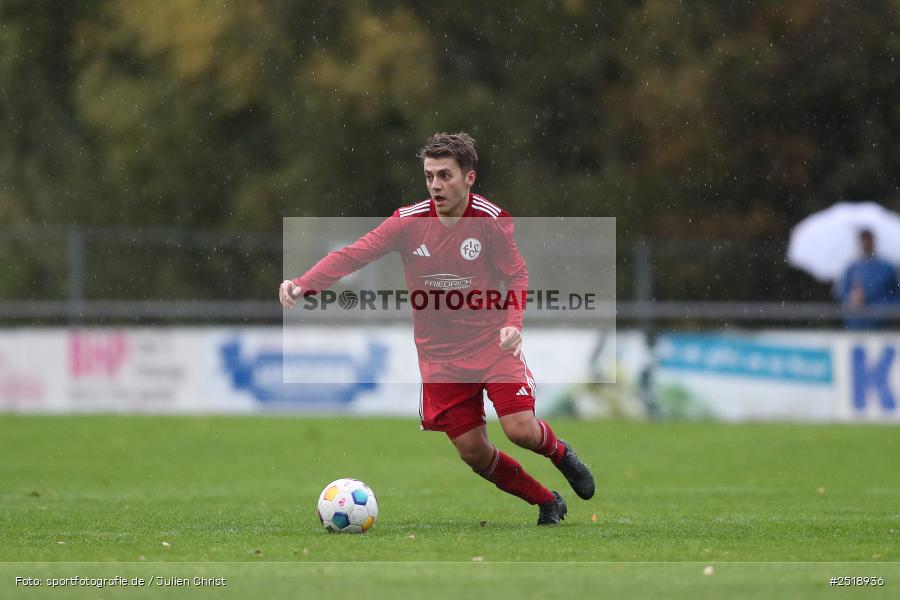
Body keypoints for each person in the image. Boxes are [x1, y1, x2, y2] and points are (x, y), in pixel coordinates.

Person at [279, 132, 594, 525]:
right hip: (441, 359)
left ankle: (561, 455)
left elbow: (516, 274)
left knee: (520, 431)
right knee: (473, 452)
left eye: (445, 175)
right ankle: (547, 500)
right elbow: (352, 255)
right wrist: (303, 282)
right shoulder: (408, 224)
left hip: (492, 344)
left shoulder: (491, 222)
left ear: (469, 178)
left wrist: (513, 324)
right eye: (429, 176)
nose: (435, 185)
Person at [837, 229, 900, 329]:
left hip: (882, 326)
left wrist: (882, 309)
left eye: (868, 240)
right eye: (863, 240)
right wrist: (851, 299)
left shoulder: (887, 267)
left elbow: (896, 295)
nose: (866, 243)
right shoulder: (851, 268)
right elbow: (841, 294)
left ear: (873, 242)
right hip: (856, 324)